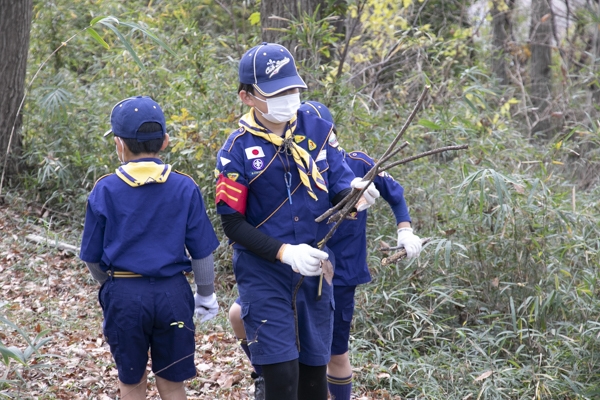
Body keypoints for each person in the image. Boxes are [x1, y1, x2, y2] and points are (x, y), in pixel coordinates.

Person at [215, 43, 379, 400]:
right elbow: (233, 224)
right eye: (276, 92)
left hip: (315, 275)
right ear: (247, 97)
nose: (289, 99)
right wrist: (284, 252)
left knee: (313, 382)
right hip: (265, 274)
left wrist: (352, 194)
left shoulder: (317, 129)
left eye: (293, 89)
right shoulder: (236, 152)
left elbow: (336, 182)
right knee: (282, 381)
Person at [228, 100, 423, 400]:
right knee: (241, 315)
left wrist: (405, 230)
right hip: (291, 264)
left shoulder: (355, 164)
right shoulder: (284, 164)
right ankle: (264, 374)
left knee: (333, 353)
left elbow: (393, 193)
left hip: (341, 272)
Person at [79, 96, 220, 400]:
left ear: (119, 144)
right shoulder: (185, 186)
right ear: (166, 141)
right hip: (173, 294)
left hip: (125, 295)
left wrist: (109, 285)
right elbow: (201, 251)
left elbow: (92, 258)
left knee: (132, 381)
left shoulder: (105, 188)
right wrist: (205, 293)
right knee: (172, 382)